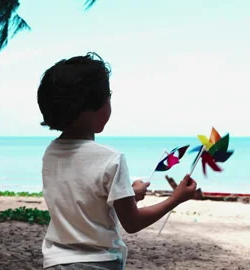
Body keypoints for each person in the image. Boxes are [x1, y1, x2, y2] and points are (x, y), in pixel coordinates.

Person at [37, 52, 197, 270]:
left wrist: (130, 195)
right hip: (98, 263)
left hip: (56, 261)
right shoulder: (111, 159)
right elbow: (132, 223)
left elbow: (84, 202)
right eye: (108, 95)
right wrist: (176, 199)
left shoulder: (51, 153)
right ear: (92, 106)